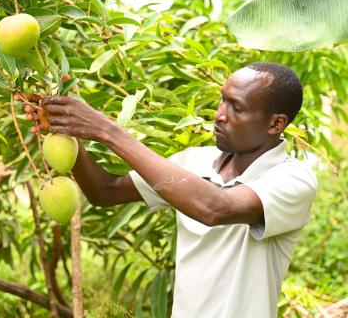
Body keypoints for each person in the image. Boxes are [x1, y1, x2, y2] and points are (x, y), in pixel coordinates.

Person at [23, 62, 317, 317]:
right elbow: (105, 190)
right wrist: (66, 128)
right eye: (222, 101)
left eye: (236, 107)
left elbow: (214, 208)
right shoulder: (194, 161)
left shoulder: (293, 179)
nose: (219, 115)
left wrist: (106, 130)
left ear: (276, 124)